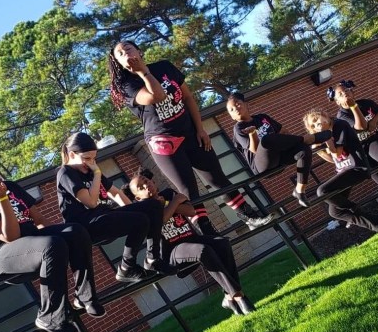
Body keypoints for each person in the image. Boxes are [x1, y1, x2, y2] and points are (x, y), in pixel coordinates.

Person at [108, 41, 271, 231]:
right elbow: (157, 95)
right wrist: (143, 72)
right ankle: (207, 231)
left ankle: (249, 216)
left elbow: (187, 97)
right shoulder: (127, 85)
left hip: (191, 133)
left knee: (217, 178)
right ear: (119, 63)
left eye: (128, 48)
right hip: (165, 143)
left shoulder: (164, 67)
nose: (125, 53)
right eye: (120, 53)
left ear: (139, 51)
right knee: (189, 190)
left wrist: (200, 129)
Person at [0, 142, 105, 332]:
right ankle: (50, 316)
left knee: (75, 231)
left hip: (33, 241)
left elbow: (39, 220)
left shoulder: (11, 187)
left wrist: (64, 237)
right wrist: (2, 200)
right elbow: (11, 237)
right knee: (52, 245)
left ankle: (84, 297)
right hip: (3, 256)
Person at [129, 168, 255, 315]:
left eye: (146, 181)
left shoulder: (168, 194)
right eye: (140, 187)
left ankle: (228, 296)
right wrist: (175, 202)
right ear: (138, 197)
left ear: (152, 181)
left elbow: (191, 211)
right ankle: (239, 297)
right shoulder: (143, 209)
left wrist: (169, 202)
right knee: (203, 250)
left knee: (222, 243)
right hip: (173, 251)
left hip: (192, 239)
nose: (146, 185)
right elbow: (161, 220)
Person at [56, 132, 168, 282]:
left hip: (105, 215)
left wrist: (136, 210)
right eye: (87, 158)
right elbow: (91, 202)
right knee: (140, 220)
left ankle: (153, 259)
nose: (91, 162)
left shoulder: (90, 170)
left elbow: (115, 193)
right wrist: (97, 173)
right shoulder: (66, 173)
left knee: (153, 206)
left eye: (94, 158)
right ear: (72, 155)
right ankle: (127, 268)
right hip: (88, 225)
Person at [226, 91, 332, 207]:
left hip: (279, 157)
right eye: (231, 109)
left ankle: (300, 190)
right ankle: (307, 138)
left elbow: (283, 132)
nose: (235, 109)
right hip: (262, 166)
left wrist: (291, 145)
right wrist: (252, 134)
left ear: (247, 104)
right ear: (232, 116)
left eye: (237, 104)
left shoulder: (262, 117)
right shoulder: (239, 128)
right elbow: (255, 150)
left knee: (304, 149)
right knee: (267, 140)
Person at [302, 111, 378, 234]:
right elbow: (333, 159)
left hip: (357, 168)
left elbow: (337, 153)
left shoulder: (339, 125)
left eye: (317, 120)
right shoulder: (327, 133)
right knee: (335, 212)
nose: (317, 125)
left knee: (322, 191)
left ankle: (354, 208)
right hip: (343, 170)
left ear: (325, 116)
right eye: (313, 125)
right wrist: (319, 150)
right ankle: (376, 224)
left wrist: (327, 138)